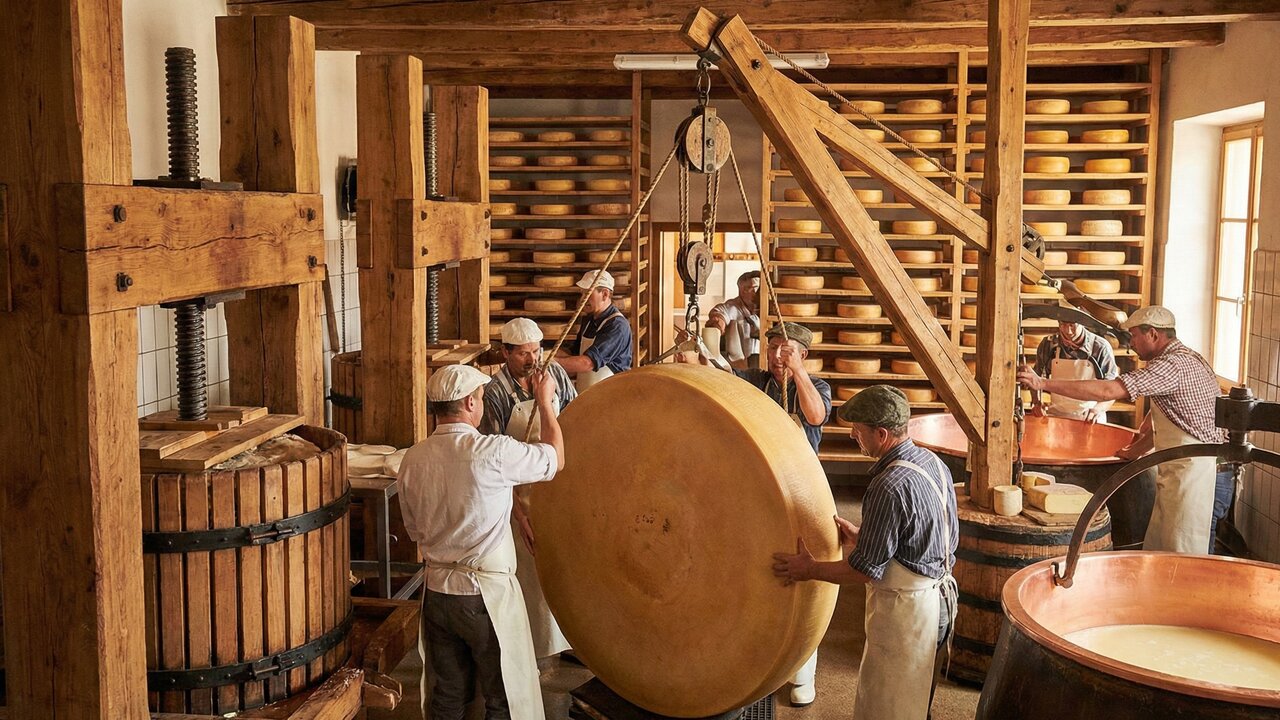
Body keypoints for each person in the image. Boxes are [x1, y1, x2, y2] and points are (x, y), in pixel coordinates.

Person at [772, 385, 958, 720]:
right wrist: (865, 536)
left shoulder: (889, 484)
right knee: (916, 701)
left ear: (882, 433)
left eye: (859, 433)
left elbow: (864, 571)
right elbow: (923, 536)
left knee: (891, 707)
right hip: (940, 602)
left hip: (909, 611)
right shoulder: (932, 462)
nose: (855, 439)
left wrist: (809, 568)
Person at [398, 364, 565, 720]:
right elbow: (555, 459)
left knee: (448, 695)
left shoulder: (412, 459)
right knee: (502, 696)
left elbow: (414, 531)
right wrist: (546, 402)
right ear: (471, 403)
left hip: (437, 594)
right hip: (484, 597)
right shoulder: (492, 452)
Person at [1017, 305, 1225, 554]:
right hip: (1177, 468)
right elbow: (1173, 415)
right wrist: (1137, 448)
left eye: (1135, 336)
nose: (1132, 343)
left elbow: (1108, 391)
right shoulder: (1182, 358)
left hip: (1190, 472)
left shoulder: (1172, 365)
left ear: (1154, 334)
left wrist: (1042, 383)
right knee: (1161, 548)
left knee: (1182, 549)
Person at [725, 321, 832, 705]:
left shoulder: (817, 386)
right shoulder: (756, 379)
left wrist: (798, 373)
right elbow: (723, 383)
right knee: (760, 573)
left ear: (803, 354)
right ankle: (759, 664)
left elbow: (816, 416)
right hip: (759, 490)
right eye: (771, 348)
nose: (775, 356)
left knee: (805, 580)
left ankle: (804, 673)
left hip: (803, 493)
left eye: (784, 349)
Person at [481, 318, 576, 660]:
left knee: (568, 567)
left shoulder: (556, 377)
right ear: (505, 352)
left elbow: (576, 421)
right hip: (520, 493)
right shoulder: (495, 393)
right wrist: (517, 515)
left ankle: (574, 640)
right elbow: (493, 460)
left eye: (537, 350)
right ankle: (531, 650)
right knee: (531, 577)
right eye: (523, 353)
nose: (533, 359)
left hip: (559, 484)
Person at [1030, 319, 1119, 423]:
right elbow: (1035, 377)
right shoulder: (1049, 345)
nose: (1068, 331)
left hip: (1089, 416)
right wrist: (1036, 402)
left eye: (1072, 325)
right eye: (1063, 324)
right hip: (1057, 415)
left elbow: (1113, 389)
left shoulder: (1099, 347)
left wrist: (1098, 409)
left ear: (1082, 322)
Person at [557, 270, 633, 392]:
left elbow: (588, 363)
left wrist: (553, 362)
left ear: (605, 294)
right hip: (588, 394)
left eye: (587, 294)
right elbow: (574, 354)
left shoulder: (617, 326)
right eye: (582, 294)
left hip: (612, 395)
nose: (582, 299)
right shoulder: (589, 319)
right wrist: (544, 355)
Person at [707, 270, 762, 368]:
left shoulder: (766, 309)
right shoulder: (732, 307)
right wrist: (718, 323)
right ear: (742, 290)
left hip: (762, 365)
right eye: (752, 288)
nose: (756, 292)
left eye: (758, 288)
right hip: (738, 366)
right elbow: (719, 313)